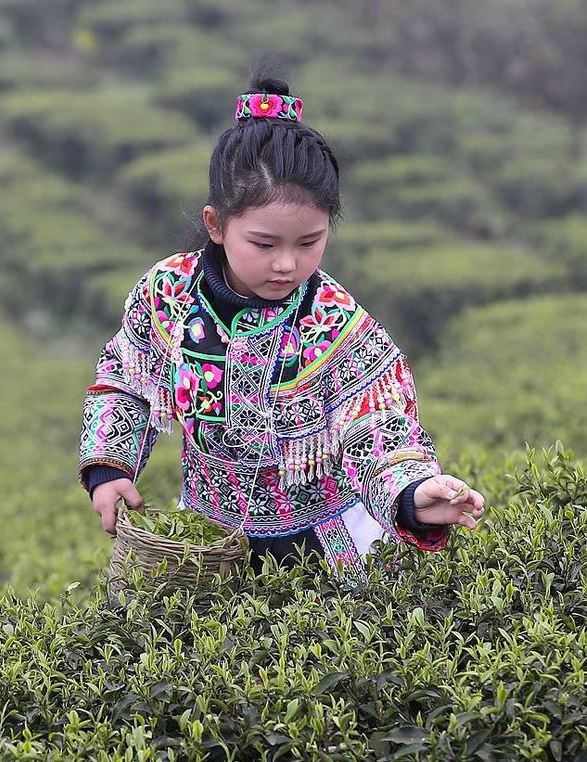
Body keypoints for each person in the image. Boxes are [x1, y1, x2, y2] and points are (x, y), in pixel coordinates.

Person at [77, 70, 485, 588]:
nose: (287, 265)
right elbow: (127, 379)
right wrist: (109, 471)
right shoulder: (168, 294)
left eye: (310, 242)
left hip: (330, 549)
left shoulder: (335, 319)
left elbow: (378, 425)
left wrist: (413, 493)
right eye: (264, 244)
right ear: (216, 225)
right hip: (208, 539)